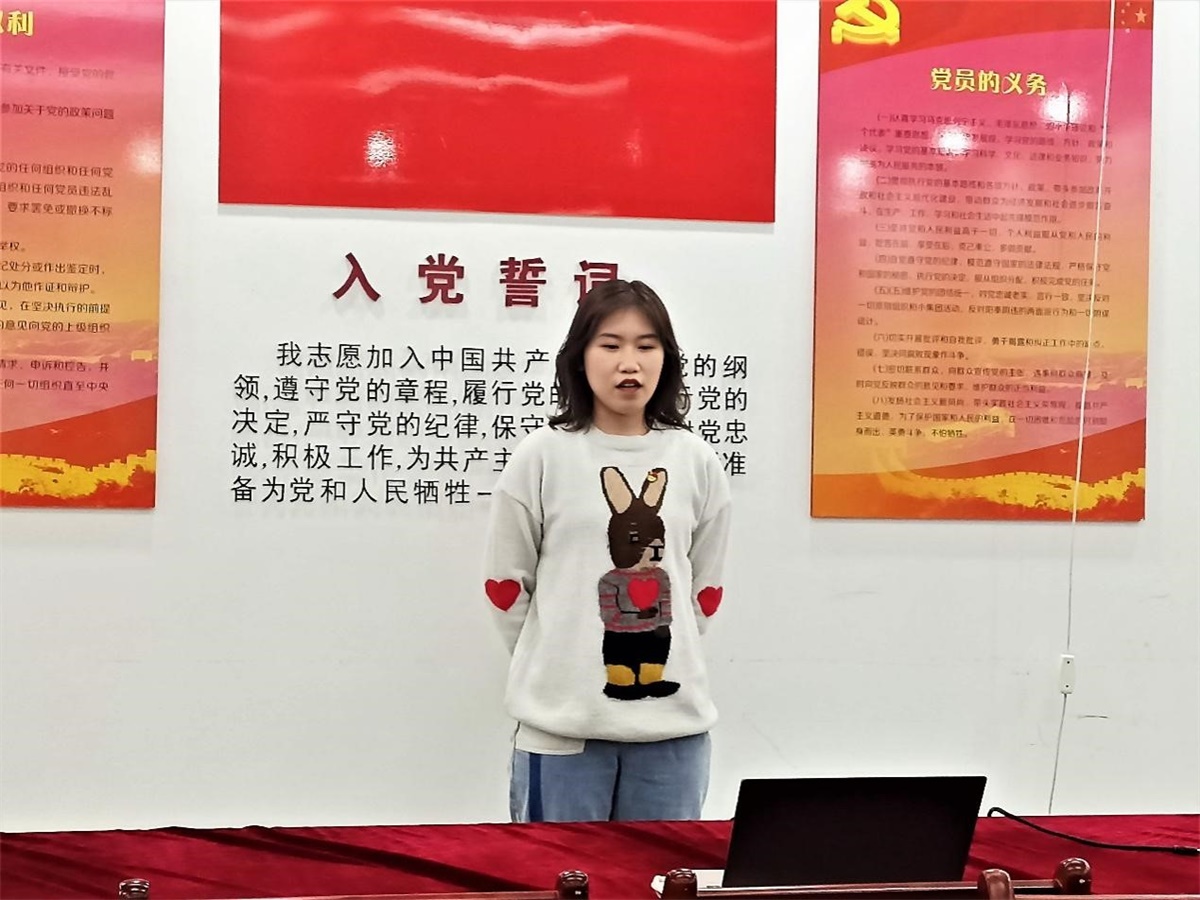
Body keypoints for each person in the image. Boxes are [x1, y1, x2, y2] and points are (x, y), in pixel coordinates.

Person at [482, 278, 732, 823]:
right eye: (610, 344)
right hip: (562, 733)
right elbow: (506, 586)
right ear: (580, 356)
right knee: (558, 871)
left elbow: (703, 589)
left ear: (666, 358)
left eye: (646, 345)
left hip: (673, 736)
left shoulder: (696, 460)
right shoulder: (542, 456)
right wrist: (557, 662)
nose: (629, 363)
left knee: (663, 873)